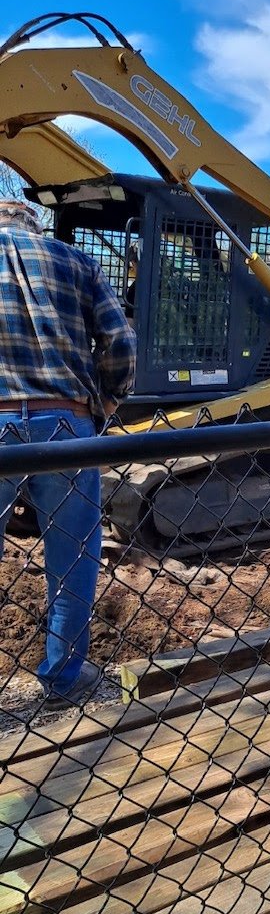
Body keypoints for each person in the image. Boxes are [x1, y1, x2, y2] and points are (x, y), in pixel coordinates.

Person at [0, 199, 136, 708]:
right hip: (67, 421)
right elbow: (120, 341)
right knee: (74, 554)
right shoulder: (75, 261)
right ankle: (62, 679)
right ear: (33, 226)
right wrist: (106, 400)